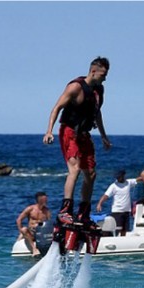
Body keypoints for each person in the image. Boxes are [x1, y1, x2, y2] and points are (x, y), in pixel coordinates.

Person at [42, 56, 113, 228]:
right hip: (69, 132)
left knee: (91, 174)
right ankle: (65, 211)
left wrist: (104, 136)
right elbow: (56, 108)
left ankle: (83, 213)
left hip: (84, 135)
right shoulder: (75, 87)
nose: (105, 78)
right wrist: (49, 131)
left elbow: (97, 113)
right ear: (93, 71)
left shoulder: (98, 91)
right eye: (103, 74)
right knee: (75, 169)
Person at [96, 170, 142, 236]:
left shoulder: (128, 183)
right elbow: (106, 195)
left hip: (126, 211)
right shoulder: (113, 186)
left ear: (123, 176)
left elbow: (138, 179)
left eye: (119, 177)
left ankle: (123, 240)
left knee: (124, 229)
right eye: (117, 177)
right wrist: (99, 203)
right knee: (117, 229)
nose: (118, 178)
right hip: (117, 211)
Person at [16, 191, 52, 257]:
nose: (46, 201)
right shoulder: (30, 209)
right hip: (31, 232)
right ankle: (34, 248)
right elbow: (19, 220)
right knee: (24, 229)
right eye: (45, 200)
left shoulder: (47, 211)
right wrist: (20, 230)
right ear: (40, 200)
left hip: (41, 233)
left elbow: (49, 224)